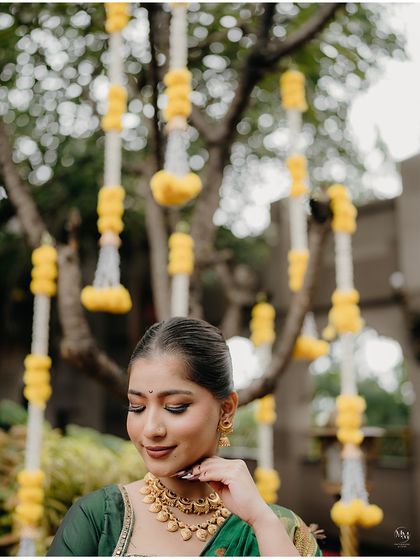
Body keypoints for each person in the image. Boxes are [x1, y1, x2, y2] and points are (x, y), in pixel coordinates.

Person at [48, 317, 322, 557]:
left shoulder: (279, 528)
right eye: (137, 407)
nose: (151, 429)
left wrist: (261, 520)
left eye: (175, 407)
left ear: (226, 409)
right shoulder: (100, 519)